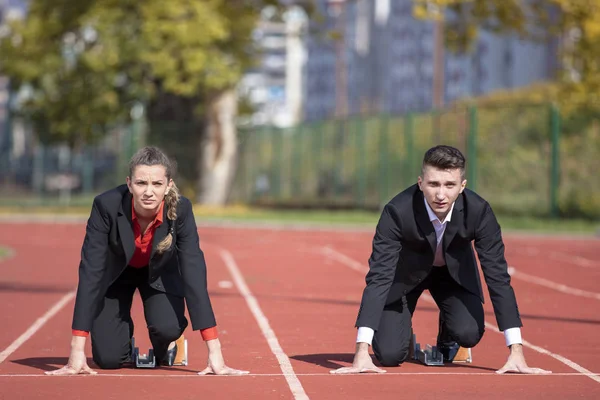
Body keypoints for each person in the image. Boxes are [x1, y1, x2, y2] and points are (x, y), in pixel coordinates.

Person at [331, 145, 551, 375]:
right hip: (406, 277)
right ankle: (402, 335)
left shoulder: (479, 212)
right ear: (420, 182)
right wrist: (361, 351)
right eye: (433, 184)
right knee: (388, 355)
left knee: (468, 333)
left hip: (452, 277)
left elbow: (497, 276)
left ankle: (448, 336)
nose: (440, 194)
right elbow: (378, 276)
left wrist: (516, 351)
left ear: (462, 186)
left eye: (449, 185)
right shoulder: (396, 211)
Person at [46, 146, 247, 376]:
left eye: (157, 184)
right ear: (129, 183)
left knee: (167, 327)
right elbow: (91, 271)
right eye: (141, 183)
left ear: (168, 185)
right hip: (117, 275)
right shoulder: (105, 206)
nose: (148, 192)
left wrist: (215, 351)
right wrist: (76, 349)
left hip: (159, 272)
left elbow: (193, 272)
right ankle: (122, 345)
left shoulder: (181, 210)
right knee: (109, 359)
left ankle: (170, 344)